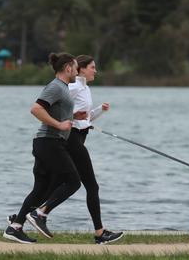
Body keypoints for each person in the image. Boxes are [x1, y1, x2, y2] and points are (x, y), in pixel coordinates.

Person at [3, 52, 85, 244]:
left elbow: (56, 111)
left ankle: (15, 227)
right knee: (73, 182)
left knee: (40, 189)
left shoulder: (62, 88)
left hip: (46, 143)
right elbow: (36, 109)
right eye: (75, 67)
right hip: (49, 142)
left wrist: (74, 117)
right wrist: (58, 125)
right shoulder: (56, 86)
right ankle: (40, 214)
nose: (76, 71)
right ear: (67, 68)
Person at [66, 55, 124, 244]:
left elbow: (85, 118)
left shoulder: (85, 88)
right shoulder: (73, 87)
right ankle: (100, 233)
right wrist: (74, 115)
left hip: (80, 137)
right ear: (81, 69)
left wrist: (99, 110)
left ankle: (22, 219)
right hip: (71, 137)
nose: (95, 70)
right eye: (92, 67)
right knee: (91, 185)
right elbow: (56, 111)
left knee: (56, 183)